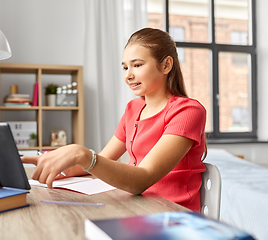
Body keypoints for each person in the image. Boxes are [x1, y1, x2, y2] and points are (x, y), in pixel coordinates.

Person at [21, 28, 207, 212]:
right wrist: (64, 167)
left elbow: (141, 180)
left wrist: (82, 154)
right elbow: (102, 160)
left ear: (166, 65)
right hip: (135, 207)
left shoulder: (188, 111)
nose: (128, 75)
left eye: (137, 65)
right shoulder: (132, 109)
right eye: (125, 67)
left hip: (172, 216)